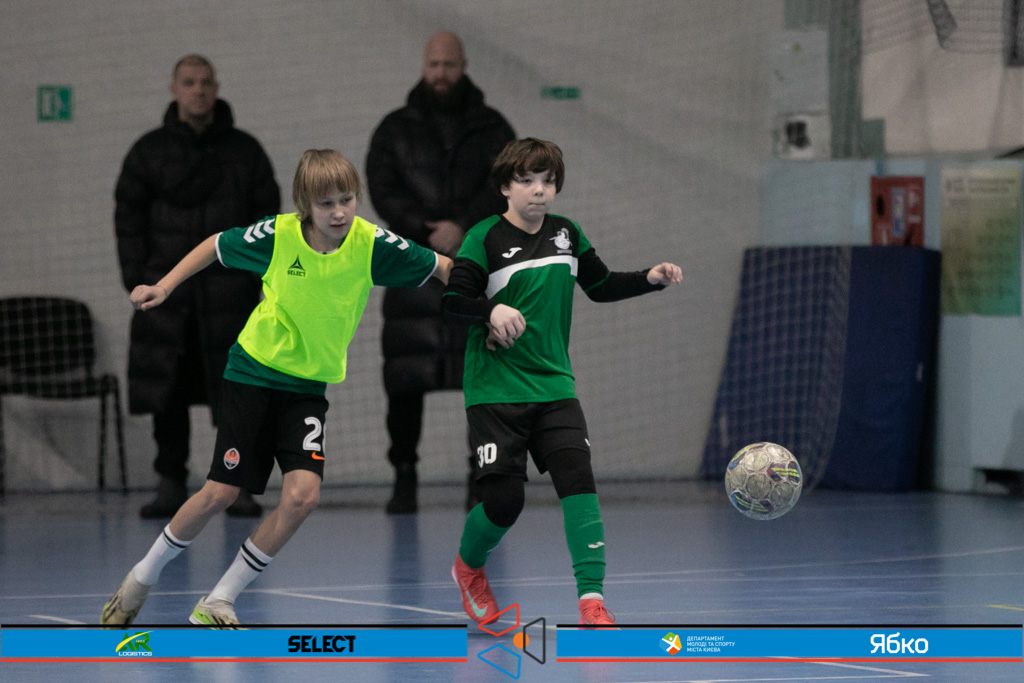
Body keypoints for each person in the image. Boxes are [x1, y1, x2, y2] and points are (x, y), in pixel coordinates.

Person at [101, 149, 452, 628]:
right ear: (305, 204)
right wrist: (164, 286)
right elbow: (215, 245)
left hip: (307, 388)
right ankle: (141, 578)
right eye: (326, 204)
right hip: (253, 374)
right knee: (220, 493)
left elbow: (443, 267)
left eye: (347, 200)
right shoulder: (277, 235)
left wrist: (494, 305)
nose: (340, 212)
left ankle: (218, 601)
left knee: (303, 497)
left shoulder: (371, 243)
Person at [443, 139, 682, 627]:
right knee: (504, 503)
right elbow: (453, 303)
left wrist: (650, 278)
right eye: (527, 181)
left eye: (548, 181)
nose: (539, 190)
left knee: (579, 484)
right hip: (496, 391)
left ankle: (592, 601)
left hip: (555, 387)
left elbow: (600, 285)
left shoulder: (567, 234)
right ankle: (468, 568)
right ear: (505, 187)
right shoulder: (483, 238)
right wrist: (491, 310)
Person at [115, 54, 280, 519]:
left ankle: (238, 484)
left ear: (217, 87)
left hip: (232, 299)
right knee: (167, 392)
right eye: (189, 82)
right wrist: (139, 279)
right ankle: (170, 482)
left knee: (239, 393)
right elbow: (128, 221)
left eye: (205, 82)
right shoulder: (147, 153)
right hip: (166, 296)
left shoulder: (246, 152)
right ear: (174, 90)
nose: (198, 90)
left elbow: (269, 223)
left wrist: (256, 280)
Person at [366, 30, 515, 514]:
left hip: (478, 269)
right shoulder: (394, 130)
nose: (441, 74)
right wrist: (425, 231)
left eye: (449, 65)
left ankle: (482, 477)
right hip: (413, 272)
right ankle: (403, 478)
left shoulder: (493, 128)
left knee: (483, 383)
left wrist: (462, 227)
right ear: (423, 67)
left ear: (464, 66)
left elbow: (509, 184)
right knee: (404, 383)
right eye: (434, 64)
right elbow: (382, 189)